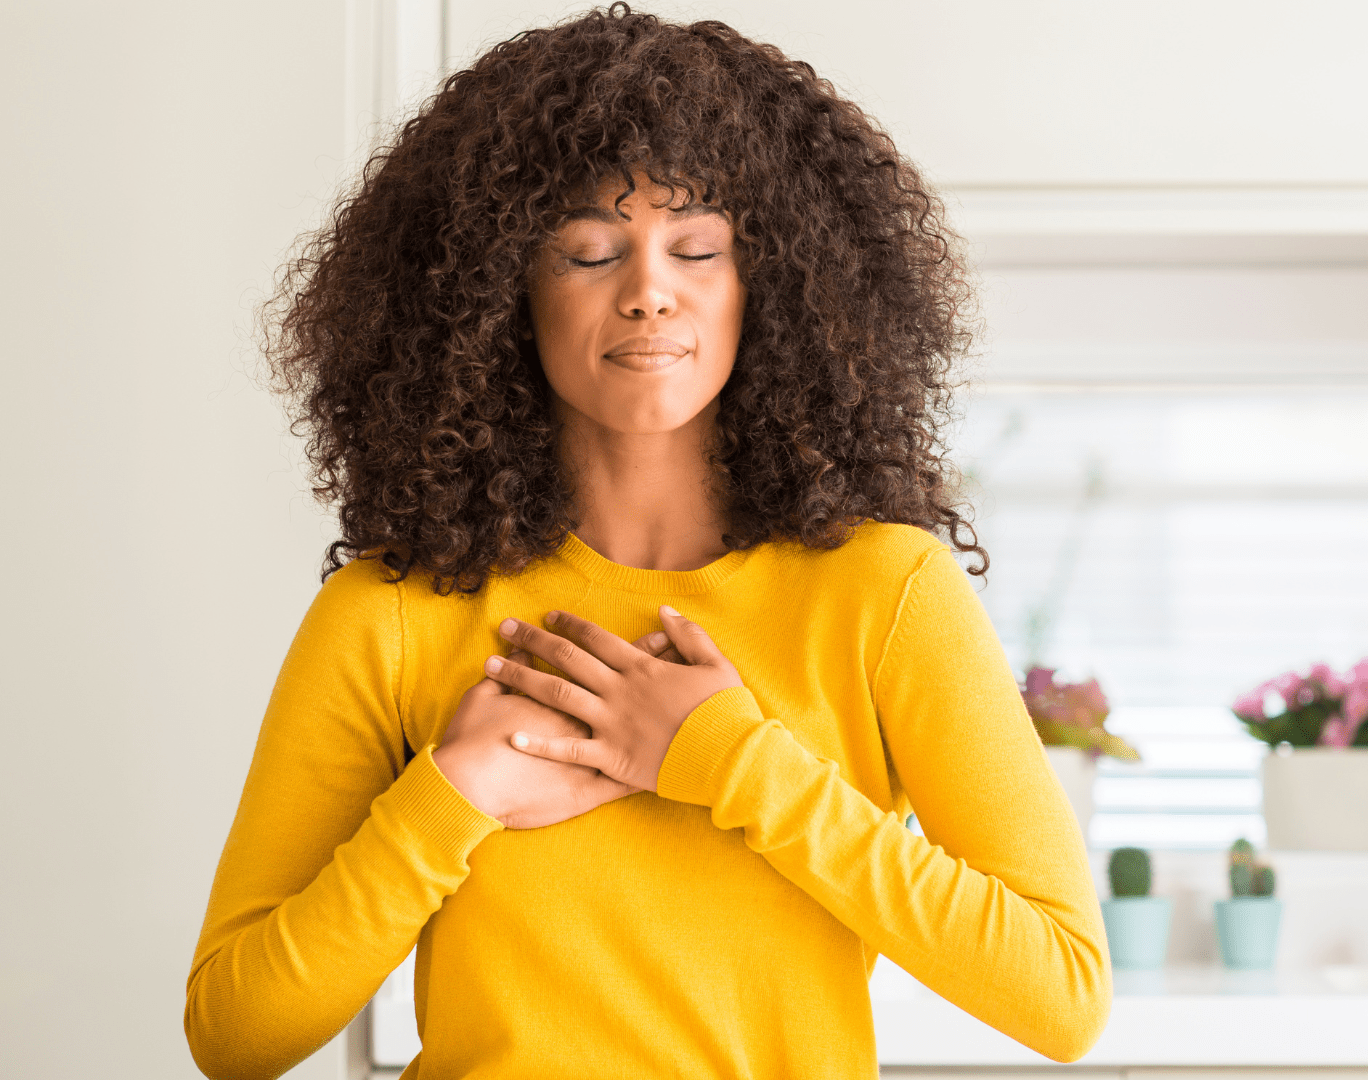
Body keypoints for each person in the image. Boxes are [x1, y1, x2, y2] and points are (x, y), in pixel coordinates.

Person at [183, 6, 1110, 1078]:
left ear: (770, 282)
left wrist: (730, 761)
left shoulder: (887, 594)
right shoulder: (394, 614)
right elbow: (236, 1035)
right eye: (586, 251)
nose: (648, 290)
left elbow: (1062, 994)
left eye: (698, 246)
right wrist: (452, 797)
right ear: (494, 293)